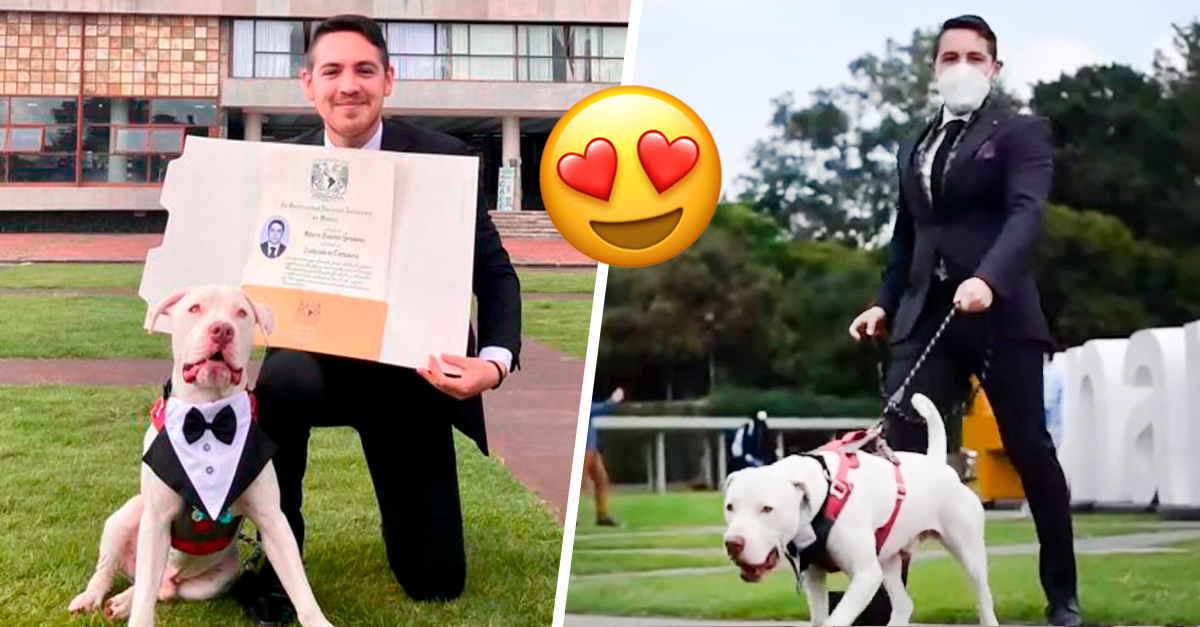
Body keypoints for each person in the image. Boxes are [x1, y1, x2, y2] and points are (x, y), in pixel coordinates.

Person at [234, 14, 522, 624]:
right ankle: (280, 556)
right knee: (279, 384)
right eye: (332, 71)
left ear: (389, 79)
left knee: (437, 582)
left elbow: (495, 274)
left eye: (365, 70)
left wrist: (492, 365)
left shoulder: (443, 161)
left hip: (406, 376)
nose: (349, 86)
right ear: (306, 83)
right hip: (309, 364)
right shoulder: (275, 169)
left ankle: (420, 540)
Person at [848, 15, 1081, 626]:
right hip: (927, 320)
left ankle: (1063, 595)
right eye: (950, 57)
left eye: (975, 57)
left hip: (1001, 315)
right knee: (892, 455)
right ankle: (879, 602)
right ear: (934, 68)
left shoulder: (1022, 132)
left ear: (994, 68)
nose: (962, 67)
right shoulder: (913, 146)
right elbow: (907, 239)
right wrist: (881, 301)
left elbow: (1026, 214)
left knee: (1030, 450)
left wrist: (989, 278)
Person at [585, 387, 623, 527]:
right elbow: (596, 409)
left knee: (602, 480)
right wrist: (613, 401)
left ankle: (602, 514)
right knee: (580, 483)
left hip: (591, 447)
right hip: (585, 447)